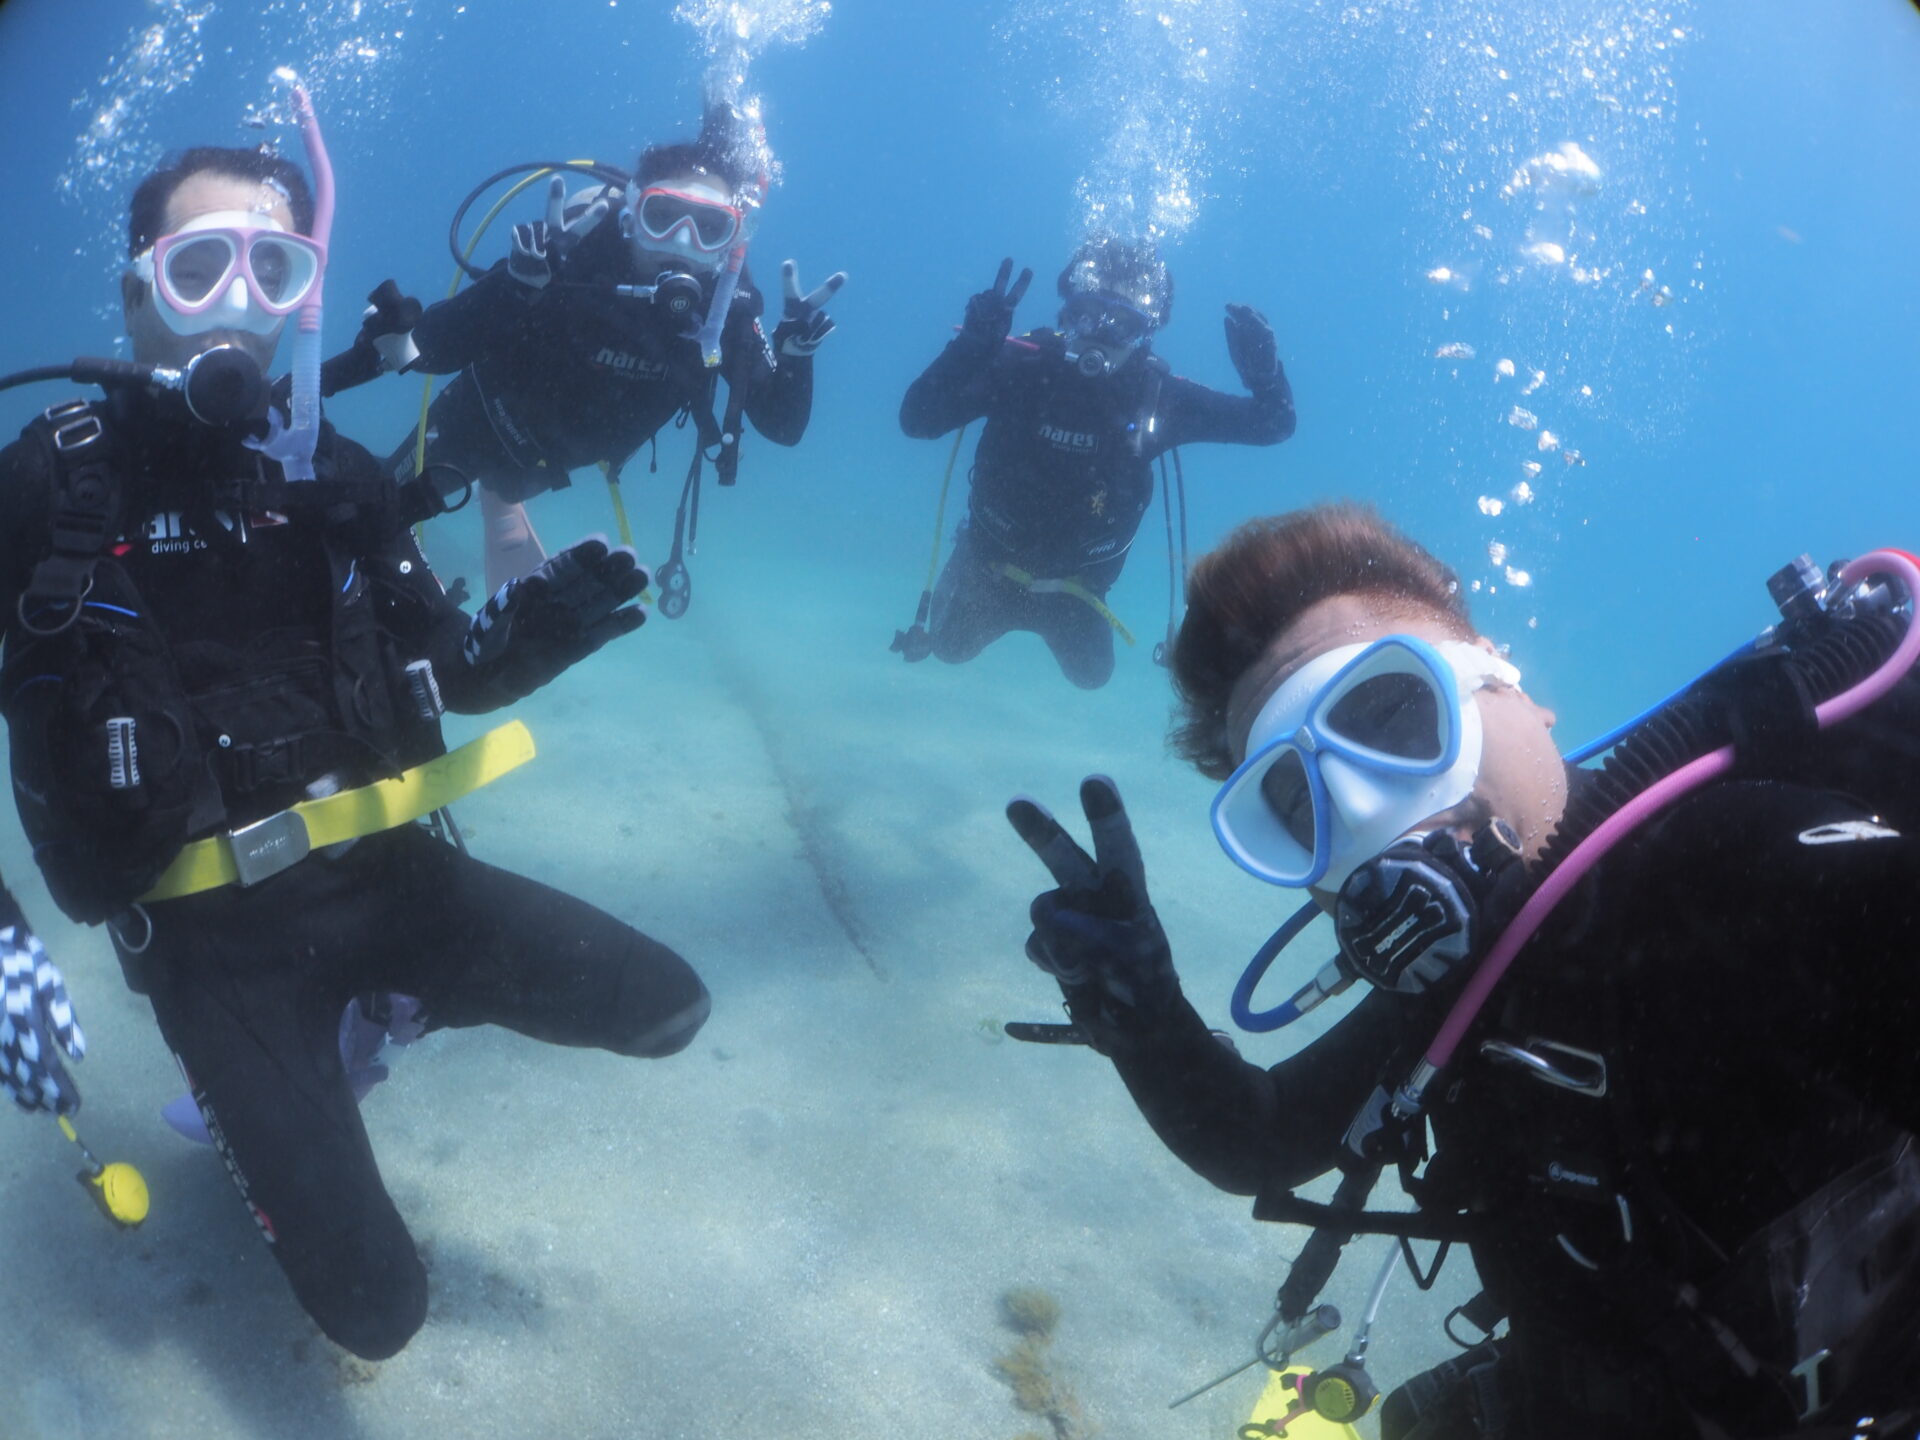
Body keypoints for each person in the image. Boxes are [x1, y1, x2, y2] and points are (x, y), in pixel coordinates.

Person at [0, 137, 711, 1362]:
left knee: (669, 1009)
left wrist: (533, 639)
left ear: (303, 294)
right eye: (200, 265)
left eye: (272, 267)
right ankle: (283, 1076)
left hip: (396, 878)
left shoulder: (338, 473)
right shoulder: (41, 488)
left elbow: (456, 671)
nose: (239, 300)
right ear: (138, 292)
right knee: (377, 1315)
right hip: (214, 942)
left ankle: (391, 1005)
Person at [1005, 502, 1920, 1436]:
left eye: (1394, 714)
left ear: (1518, 695)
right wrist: (1146, 1019)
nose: (1362, 808)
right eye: (1292, 798)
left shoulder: (1765, 869)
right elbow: (1263, 1138)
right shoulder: (1463, 998)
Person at [378, 112, 844, 595]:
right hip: (477, 425)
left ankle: (502, 498)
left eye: (710, 228)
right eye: (662, 218)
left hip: (565, 461)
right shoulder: (574, 256)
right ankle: (498, 497)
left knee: (510, 485)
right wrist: (514, 290)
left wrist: (796, 356)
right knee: (373, 512)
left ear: (732, 242)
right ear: (631, 216)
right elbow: (423, 353)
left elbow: (783, 427)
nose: (683, 244)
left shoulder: (724, 307)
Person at [896, 236, 1296, 689]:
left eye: (1120, 325)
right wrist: (968, 350)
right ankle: (968, 570)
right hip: (987, 569)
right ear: (1065, 313)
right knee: (948, 650)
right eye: (1086, 315)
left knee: (1093, 677)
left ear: (1146, 331)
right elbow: (917, 421)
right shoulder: (1018, 368)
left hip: (1077, 594)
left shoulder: (1158, 400)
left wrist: (1265, 376)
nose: (1098, 335)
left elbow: (1271, 425)